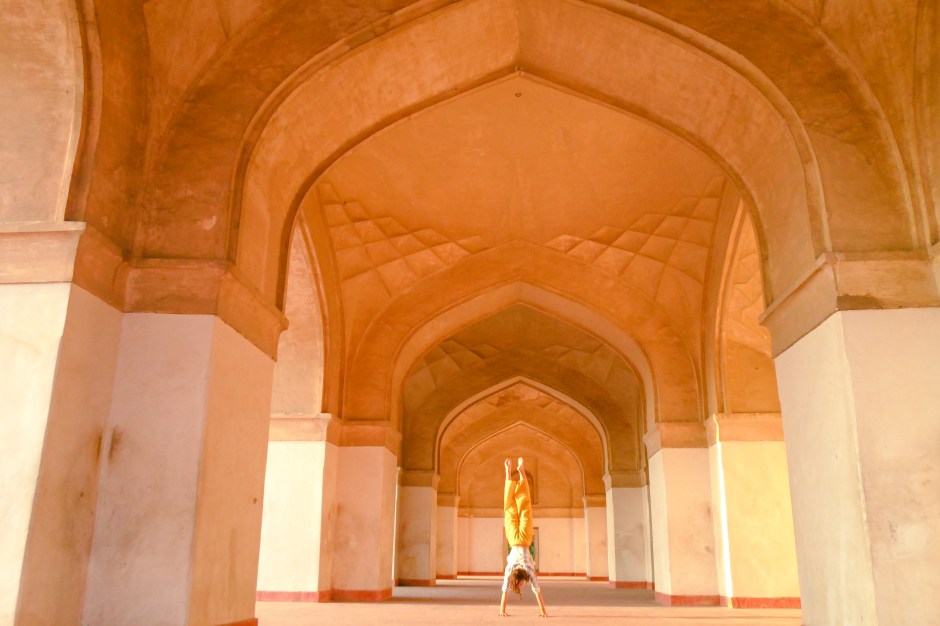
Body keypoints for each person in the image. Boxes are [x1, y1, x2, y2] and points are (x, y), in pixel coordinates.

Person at [499, 457, 549, 617]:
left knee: (514, 508)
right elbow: (537, 592)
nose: (522, 585)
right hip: (520, 540)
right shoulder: (526, 572)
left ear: (519, 578)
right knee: (521, 507)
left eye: (520, 584)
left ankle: (511, 472)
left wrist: (502, 611)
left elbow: (505, 592)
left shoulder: (516, 571)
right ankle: (519, 473)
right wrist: (542, 611)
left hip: (518, 540)